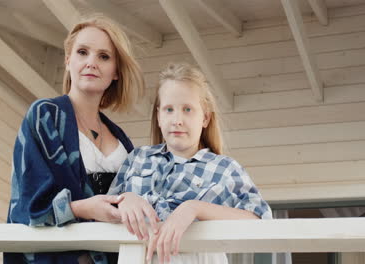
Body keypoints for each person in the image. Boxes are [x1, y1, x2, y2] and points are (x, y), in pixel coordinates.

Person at [4, 15, 145, 264]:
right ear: (68, 60)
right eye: (82, 52)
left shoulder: (123, 141)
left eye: (104, 56)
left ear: (116, 72)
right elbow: (27, 205)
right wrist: (83, 208)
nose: (91, 62)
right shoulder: (44, 116)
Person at [108, 63, 272, 264]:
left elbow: (260, 220)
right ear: (158, 116)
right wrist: (126, 198)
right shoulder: (138, 158)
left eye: (187, 109)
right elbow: (104, 209)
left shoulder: (225, 169)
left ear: (205, 118)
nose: (177, 120)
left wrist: (195, 208)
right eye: (169, 109)